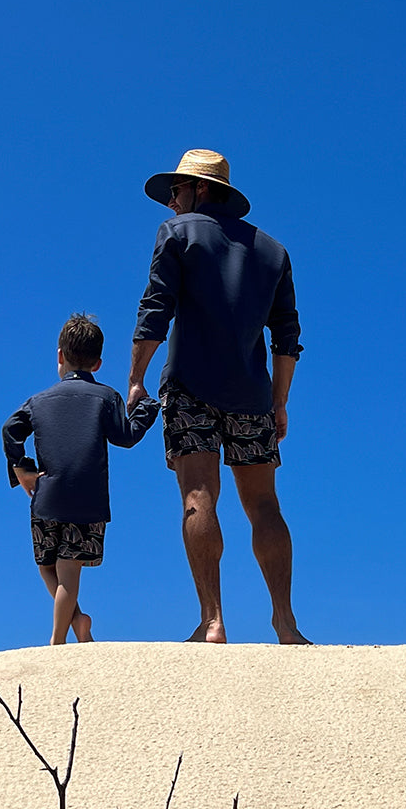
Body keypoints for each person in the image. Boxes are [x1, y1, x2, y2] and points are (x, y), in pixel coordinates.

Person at [128, 149, 310, 645]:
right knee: (265, 505)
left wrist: (136, 379)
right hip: (252, 396)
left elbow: (155, 308)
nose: (171, 201)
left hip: (190, 387)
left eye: (177, 191)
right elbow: (287, 335)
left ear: (201, 190)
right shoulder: (273, 251)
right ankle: (285, 622)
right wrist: (279, 401)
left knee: (197, 495)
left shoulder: (179, 234)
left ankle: (212, 621)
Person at [3, 313, 159, 645]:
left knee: (47, 566)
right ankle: (62, 637)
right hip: (87, 500)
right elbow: (126, 437)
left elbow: (10, 430)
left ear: (60, 356)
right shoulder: (106, 397)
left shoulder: (38, 401)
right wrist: (146, 409)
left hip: (47, 496)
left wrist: (22, 468)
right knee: (68, 570)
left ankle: (69, 631)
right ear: (98, 364)